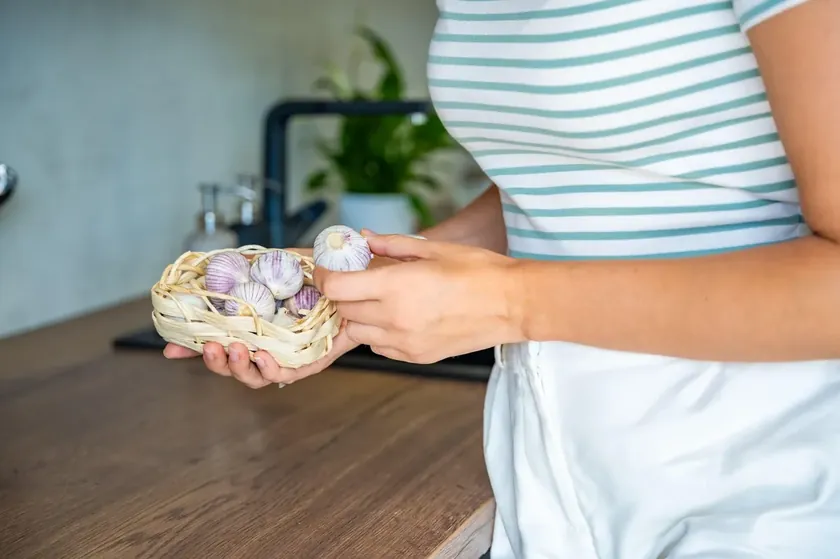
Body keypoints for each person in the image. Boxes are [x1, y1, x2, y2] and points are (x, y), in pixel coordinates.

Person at [166, 1, 840, 556]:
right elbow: (561, 176)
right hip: (552, 459)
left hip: (760, 467)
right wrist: (367, 286)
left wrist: (511, 301)